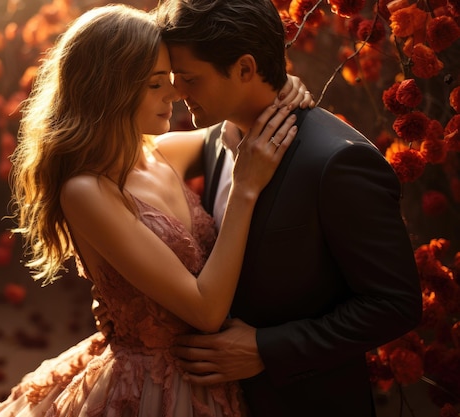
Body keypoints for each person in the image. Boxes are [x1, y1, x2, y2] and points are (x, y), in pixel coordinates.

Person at [0, 4, 313, 416]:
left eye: (171, 79)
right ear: (111, 89)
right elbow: (206, 311)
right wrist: (245, 190)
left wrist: (280, 89)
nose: (174, 94)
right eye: (156, 84)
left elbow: (236, 115)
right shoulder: (86, 191)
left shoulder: (161, 154)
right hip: (149, 392)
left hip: (215, 380)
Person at [146, 0, 423, 416]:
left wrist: (265, 348)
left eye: (188, 78)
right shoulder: (216, 137)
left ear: (244, 68)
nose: (177, 92)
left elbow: (395, 304)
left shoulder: (338, 162)